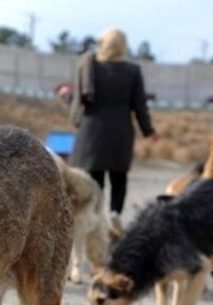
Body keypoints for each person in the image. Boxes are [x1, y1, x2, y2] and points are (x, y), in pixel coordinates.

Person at [69, 28, 157, 229]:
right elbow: (139, 105)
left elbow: (80, 99)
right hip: (120, 132)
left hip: (92, 132)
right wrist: (148, 130)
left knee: (95, 181)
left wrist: (66, 95)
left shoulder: (88, 66)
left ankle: (97, 219)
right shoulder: (133, 71)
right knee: (119, 179)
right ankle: (115, 213)